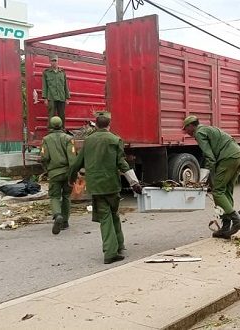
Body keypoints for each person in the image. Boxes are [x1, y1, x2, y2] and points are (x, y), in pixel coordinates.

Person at [68, 112, 142, 264]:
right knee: (113, 213)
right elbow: (122, 163)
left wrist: (71, 179)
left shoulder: (88, 140)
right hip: (112, 184)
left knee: (105, 217)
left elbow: (76, 163)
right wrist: (134, 183)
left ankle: (112, 248)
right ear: (109, 125)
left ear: (96, 125)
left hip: (96, 186)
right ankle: (115, 249)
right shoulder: (115, 140)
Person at [182, 115, 240, 239]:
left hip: (228, 157)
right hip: (238, 155)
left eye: (186, 129)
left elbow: (210, 158)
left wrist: (203, 179)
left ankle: (237, 221)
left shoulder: (199, 133)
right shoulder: (207, 129)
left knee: (217, 191)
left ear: (191, 126)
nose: (186, 132)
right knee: (226, 191)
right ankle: (226, 227)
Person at [40, 116, 77, 235]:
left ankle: (57, 215)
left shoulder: (46, 139)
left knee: (55, 196)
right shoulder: (68, 138)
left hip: (54, 173)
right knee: (66, 196)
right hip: (67, 172)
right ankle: (65, 222)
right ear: (62, 125)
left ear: (50, 126)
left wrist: (46, 168)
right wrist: (73, 175)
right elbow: (72, 159)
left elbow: (44, 157)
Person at [42, 55, 70, 127]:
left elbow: (65, 85)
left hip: (61, 97)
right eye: (52, 61)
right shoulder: (46, 72)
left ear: (58, 61)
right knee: (51, 115)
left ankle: (62, 130)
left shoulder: (62, 72)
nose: (54, 62)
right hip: (51, 97)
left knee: (62, 115)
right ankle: (51, 131)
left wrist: (67, 98)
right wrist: (45, 98)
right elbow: (44, 86)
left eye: (55, 60)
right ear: (50, 62)